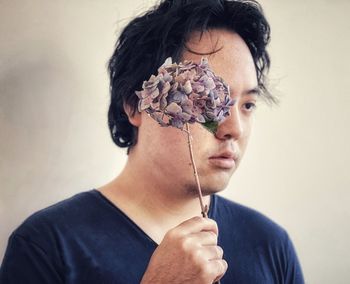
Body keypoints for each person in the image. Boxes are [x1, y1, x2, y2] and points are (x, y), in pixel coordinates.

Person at [0, 0, 305, 283]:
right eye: (206, 100)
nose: (233, 128)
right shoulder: (46, 247)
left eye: (247, 105)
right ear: (135, 106)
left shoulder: (270, 244)